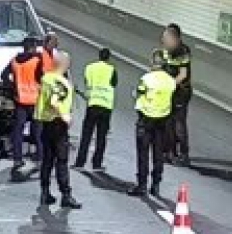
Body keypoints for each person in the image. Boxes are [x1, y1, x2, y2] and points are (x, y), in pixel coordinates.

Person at [34, 50, 81, 209]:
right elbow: (55, 101)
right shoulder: (61, 82)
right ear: (65, 64)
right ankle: (66, 195)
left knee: (47, 160)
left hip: (45, 124)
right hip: (58, 125)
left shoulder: (46, 79)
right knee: (62, 160)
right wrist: (65, 116)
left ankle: (45, 192)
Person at [128, 50, 176, 198]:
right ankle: (156, 185)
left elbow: (138, 93)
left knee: (143, 154)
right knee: (158, 154)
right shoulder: (171, 81)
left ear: (154, 62)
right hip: (163, 121)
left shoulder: (147, 79)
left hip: (146, 119)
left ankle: (142, 185)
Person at [0, 37, 43, 169]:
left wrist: (13, 87)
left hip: (20, 101)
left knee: (18, 131)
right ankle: (40, 158)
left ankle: (17, 159)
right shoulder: (37, 61)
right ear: (33, 47)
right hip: (36, 101)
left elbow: (3, 75)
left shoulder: (14, 61)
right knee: (38, 132)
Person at [74, 47, 118, 170]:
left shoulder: (90, 68)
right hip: (105, 106)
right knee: (101, 137)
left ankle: (79, 163)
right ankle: (97, 164)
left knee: (86, 135)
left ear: (99, 56)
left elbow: (87, 82)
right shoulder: (112, 69)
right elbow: (114, 84)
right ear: (108, 58)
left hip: (92, 104)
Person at [161, 24, 193, 167]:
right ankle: (169, 151)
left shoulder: (183, 52)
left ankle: (183, 154)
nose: (164, 39)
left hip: (180, 92)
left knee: (179, 123)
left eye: (167, 37)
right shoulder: (165, 50)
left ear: (175, 38)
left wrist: (169, 84)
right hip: (168, 91)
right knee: (167, 122)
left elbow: (183, 74)